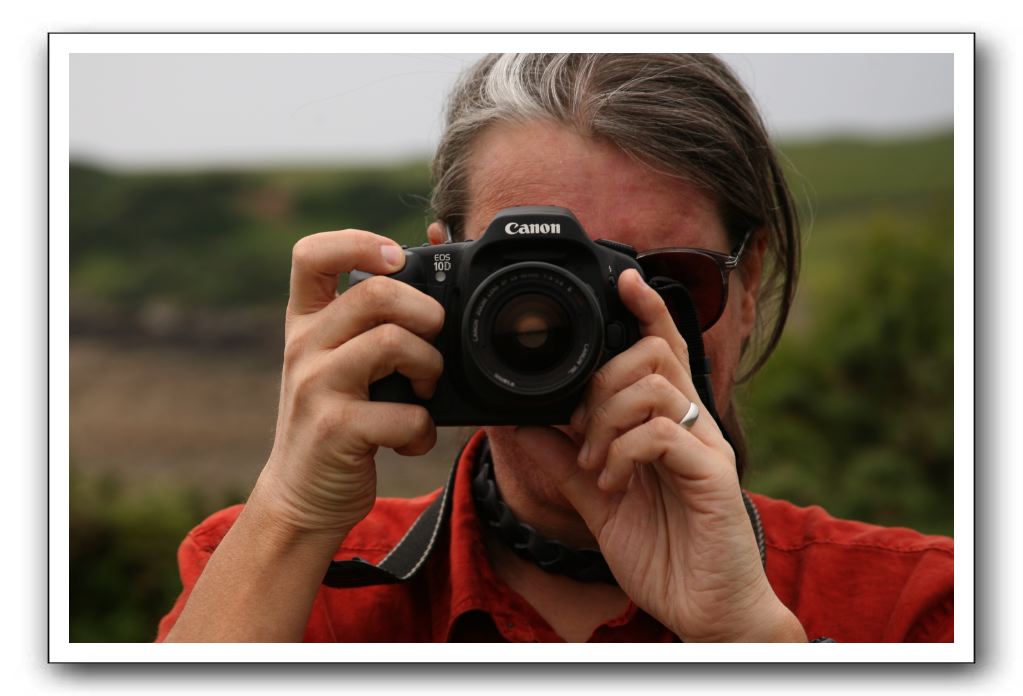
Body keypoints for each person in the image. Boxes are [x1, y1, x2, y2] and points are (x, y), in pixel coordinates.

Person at [156, 53, 953, 643]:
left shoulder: (913, 607)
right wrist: (294, 516)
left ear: (748, 292)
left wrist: (747, 640)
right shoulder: (281, 582)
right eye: (527, 291)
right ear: (438, 281)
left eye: (667, 284)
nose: (593, 333)